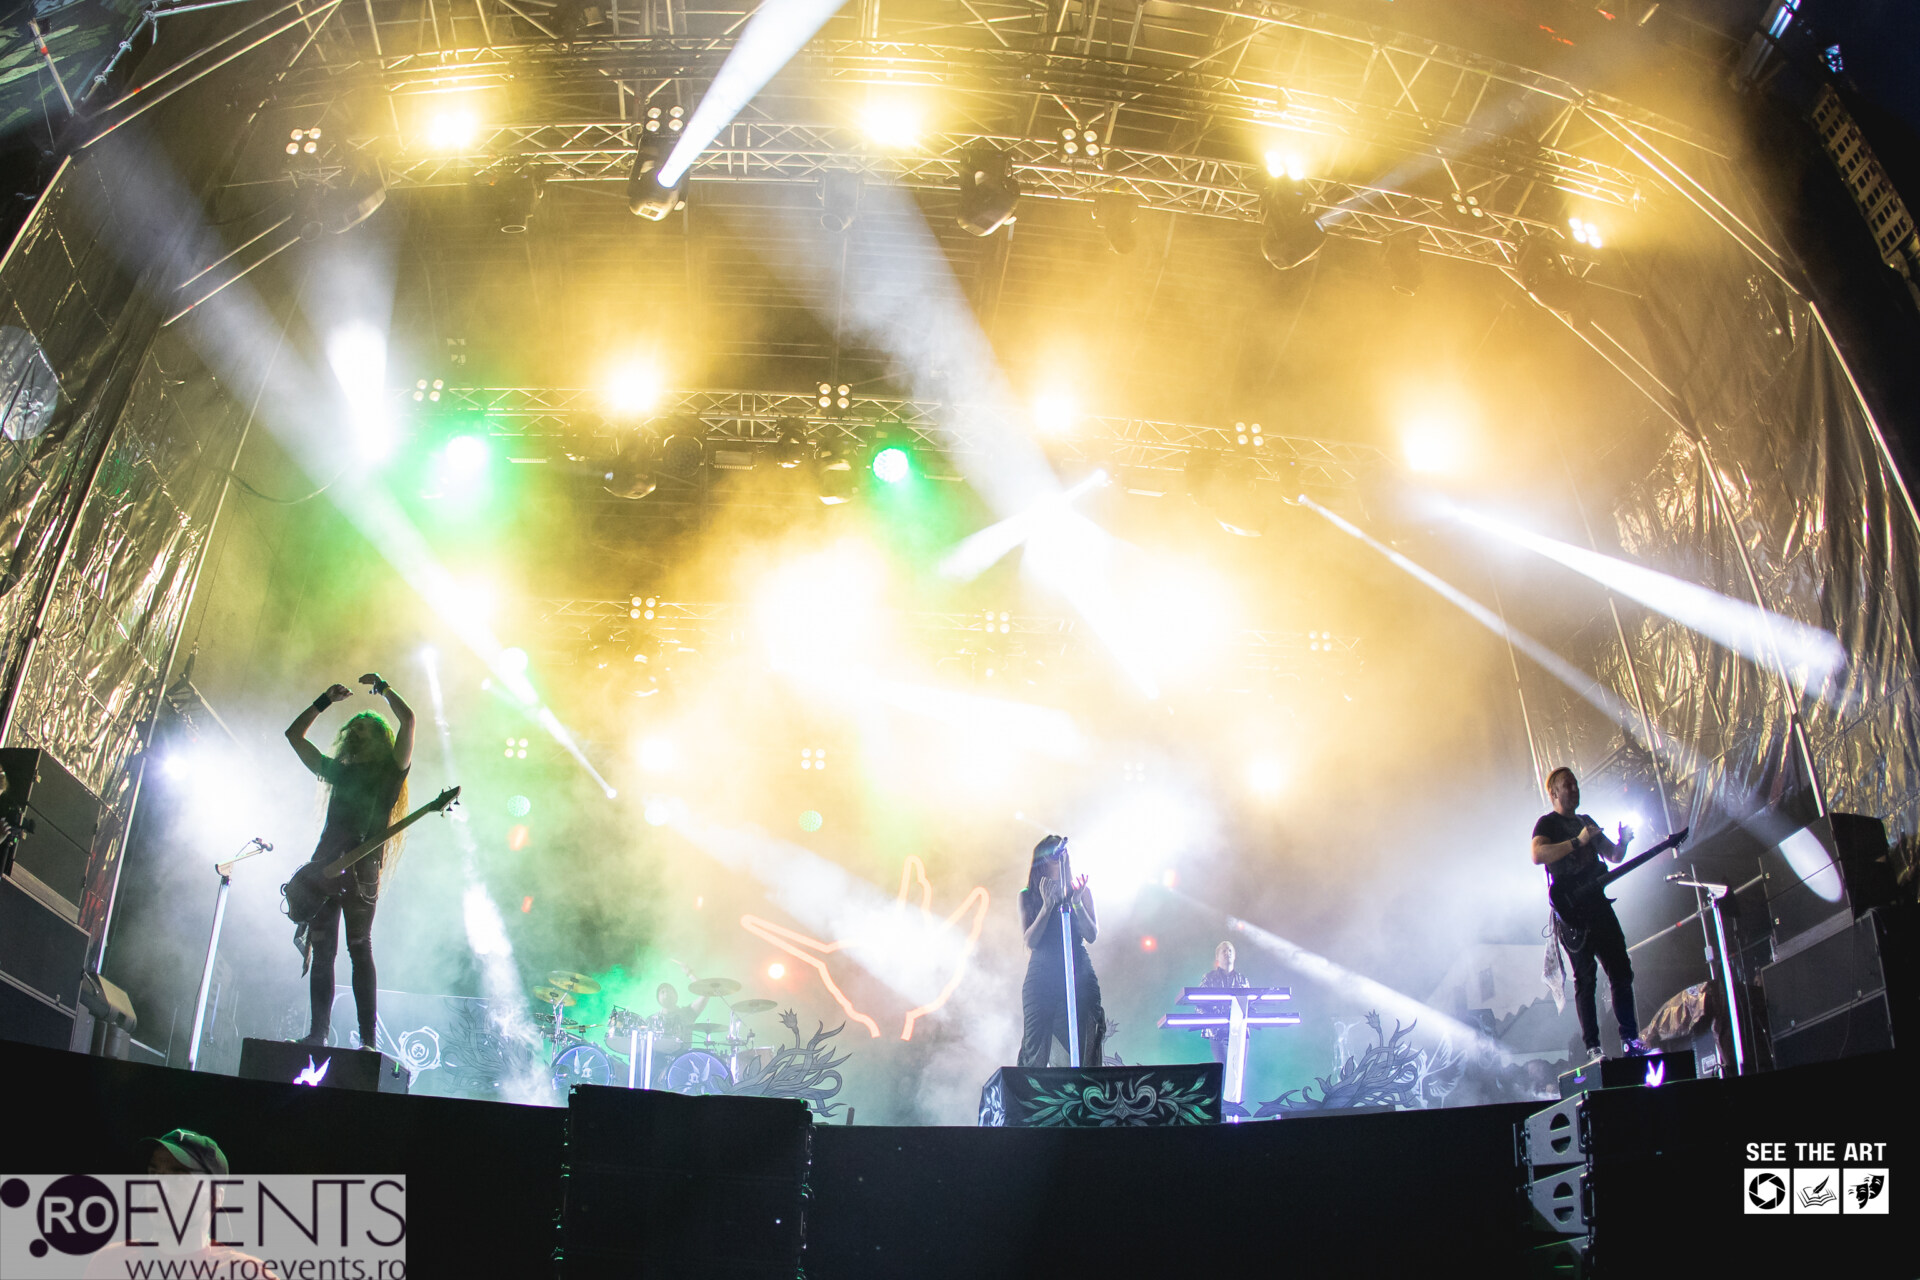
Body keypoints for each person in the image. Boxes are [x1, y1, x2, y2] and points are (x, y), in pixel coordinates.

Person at [285, 673, 414, 1049]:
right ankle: (318, 1035)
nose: (356, 732)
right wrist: (323, 700)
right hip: (323, 870)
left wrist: (385, 689)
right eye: (353, 729)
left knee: (359, 948)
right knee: (324, 951)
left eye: (365, 729)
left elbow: (408, 721)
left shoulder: (390, 772)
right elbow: (294, 736)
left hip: (362, 871)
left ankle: (368, 1042)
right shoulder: (338, 772)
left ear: (380, 738)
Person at [1531, 766, 1649, 1060]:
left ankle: (1630, 1039)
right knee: (1586, 979)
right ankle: (1593, 1047)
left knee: (1621, 970)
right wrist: (1577, 842)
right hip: (1572, 913)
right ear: (1554, 793)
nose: (1574, 789)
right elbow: (1537, 854)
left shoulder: (1587, 821)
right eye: (1567, 785)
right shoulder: (1547, 824)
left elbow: (1614, 856)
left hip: (1599, 906)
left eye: (1575, 784)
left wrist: (1623, 842)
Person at [1017, 835, 1106, 1068]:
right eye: (1051, 854)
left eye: (1060, 854)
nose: (1057, 858)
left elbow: (1091, 935)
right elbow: (1031, 940)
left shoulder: (1081, 891)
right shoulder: (1028, 894)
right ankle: (1032, 1088)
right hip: (1042, 973)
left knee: (1086, 1034)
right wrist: (1047, 907)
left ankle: (1087, 1086)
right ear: (1041, 860)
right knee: (1035, 1041)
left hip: (1078, 970)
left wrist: (1076, 902)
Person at [1198, 940, 1249, 1065]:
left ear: (1235, 955)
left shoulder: (1242, 979)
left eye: (1230, 950)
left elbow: (1249, 1004)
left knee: (1239, 1069)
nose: (1228, 953)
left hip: (1239, 1031)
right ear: (1217, 956)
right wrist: (1214, 1021)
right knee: (1224, 1068)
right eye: (1224, 951)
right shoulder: (1209, 978)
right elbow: (1200, 1003)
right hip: (1218, 1033)